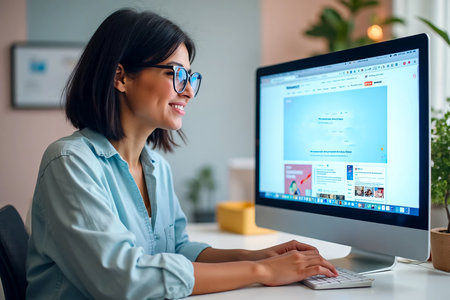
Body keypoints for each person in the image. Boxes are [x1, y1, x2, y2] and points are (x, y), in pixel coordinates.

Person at [26, 9, 337, 299]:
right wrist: (262, 271)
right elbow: (123, 279)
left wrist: (253, 255)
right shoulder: (69, 163)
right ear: (120, 77)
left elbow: (176, 248)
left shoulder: (156, 167)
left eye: (191, 77)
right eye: (176, 74)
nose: (188, 91)